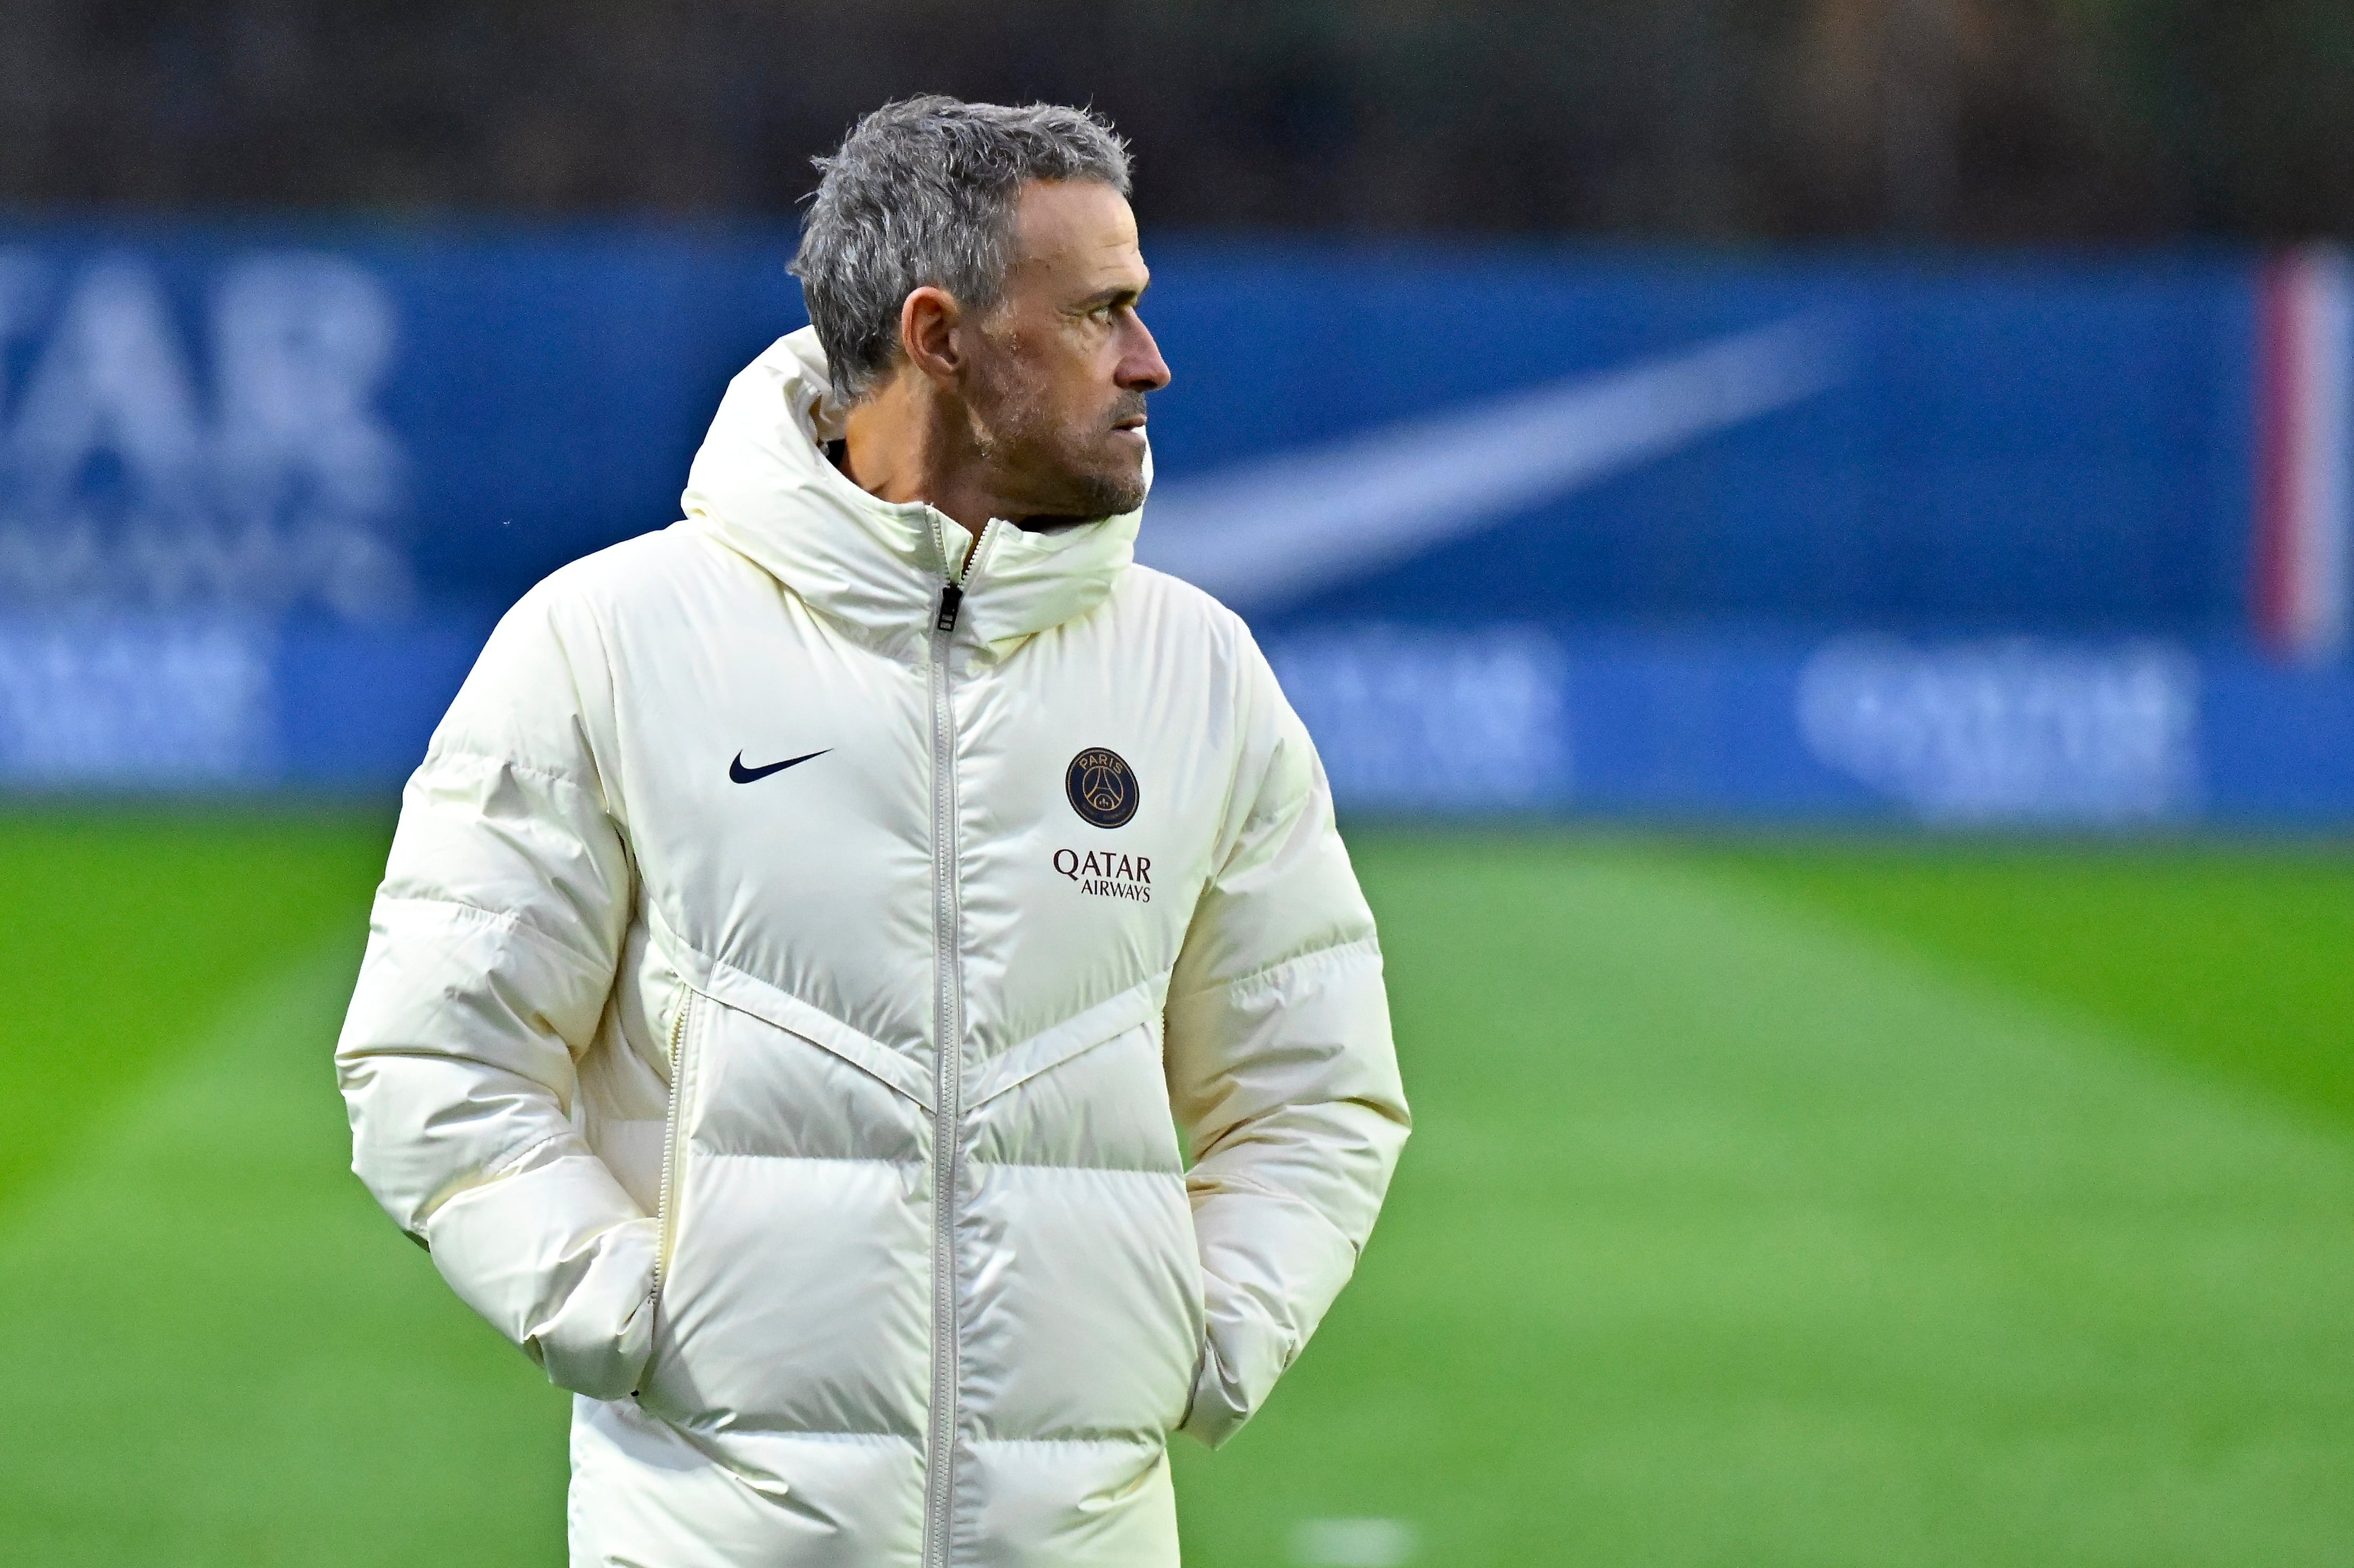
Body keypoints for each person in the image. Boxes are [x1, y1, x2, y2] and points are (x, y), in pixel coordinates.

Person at [337, 95, 1409, 1568]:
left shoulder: (1201, 673)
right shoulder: (606, 643)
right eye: (1101, 312)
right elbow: (435, 1054)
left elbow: (1313, 1088)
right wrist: (627, 1320)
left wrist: (1204, 1333)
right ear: (940, 335)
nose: (1151, 361)